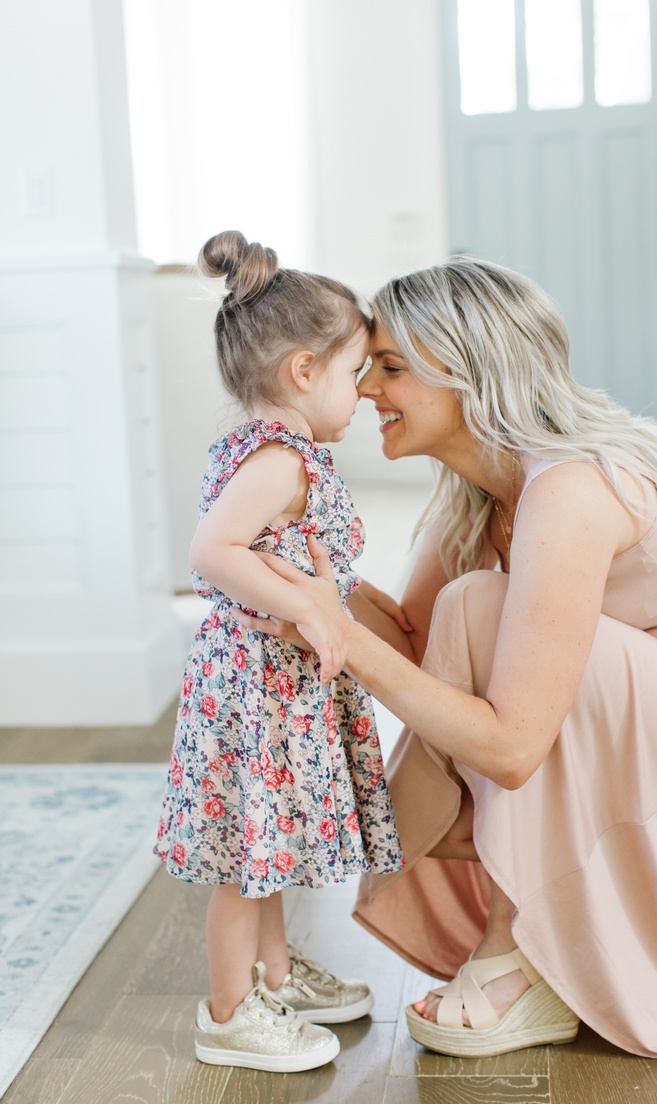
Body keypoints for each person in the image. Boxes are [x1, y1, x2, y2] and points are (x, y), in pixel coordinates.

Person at [234, 255, 657, 1062]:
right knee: (468, 614)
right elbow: (417, 649)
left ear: (471, 376)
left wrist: (339, 636)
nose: (365, 392)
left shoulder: (569, 487)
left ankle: (516, 949)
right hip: (646, 746)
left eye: (390, 369)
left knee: (478, 607)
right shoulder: (477, 494)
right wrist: (291, 560)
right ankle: (507, 919)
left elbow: (508, 747)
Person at [154, 231, 407, 1073]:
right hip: (252, 690)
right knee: (246, 865)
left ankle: (273, 975)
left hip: (276, 687)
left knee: (269, 852)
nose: (363, 389)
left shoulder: (287, 455)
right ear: (303, 372)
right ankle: (229, 1015)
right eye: (354, 371)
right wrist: (308, 604)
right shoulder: (278, 461)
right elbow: (212, 552)